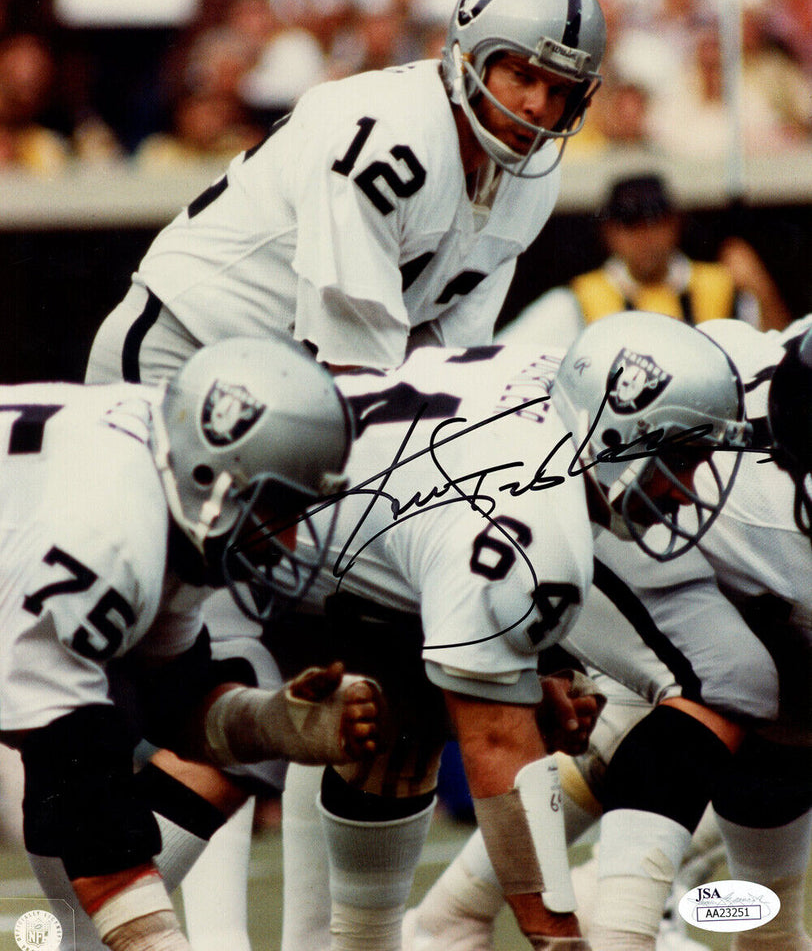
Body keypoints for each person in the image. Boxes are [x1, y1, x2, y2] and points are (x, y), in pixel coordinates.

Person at [271, 311, 749, 951]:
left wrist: (537, 678)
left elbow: (450, 553)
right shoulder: (535, 527)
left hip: (328, 534)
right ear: (620, 428)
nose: (688, 492)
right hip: (244, 544)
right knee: (204, 762)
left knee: (405, 719)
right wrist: (560, 938)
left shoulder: (558, 387)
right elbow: (497, 748)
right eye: (681, 459)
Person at [402, 316, 812, 951]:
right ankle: (629, 927)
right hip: (611, 498)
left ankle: (455, 912)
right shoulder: (768, 513)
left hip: (673, 468)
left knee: (743, 702)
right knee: (731, 685)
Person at [0, 334, 385, 951]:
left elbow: (172, 693)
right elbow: (77, 789)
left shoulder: (161, 477)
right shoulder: (110, 532)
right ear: (213, 475)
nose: (289, 542)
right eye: (279, 509)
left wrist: (273, 724)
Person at [84, 0, 606, 381]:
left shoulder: (534, 176)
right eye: (521, 75)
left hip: (288, 384)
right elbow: (355, 368)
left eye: (561, 90)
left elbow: (449, 364)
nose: (539, 107)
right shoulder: (391, 135)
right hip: (186, 346)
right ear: (467, 59)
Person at [500, 172, 791, 349]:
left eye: (654, 222)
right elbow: (504, 355)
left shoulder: (721, 285)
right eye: (631, 225)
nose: (645, 238)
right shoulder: (577, 300)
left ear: (675, 224)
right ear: (610, 233)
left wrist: (761, 288)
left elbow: (781, 358)